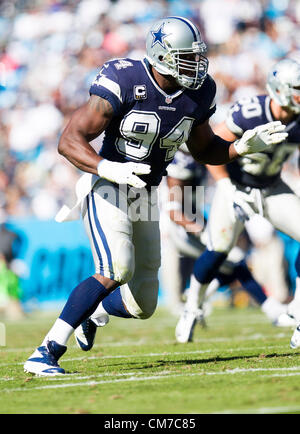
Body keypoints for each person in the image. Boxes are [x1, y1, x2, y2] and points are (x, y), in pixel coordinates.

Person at [24, 16, 287, 376]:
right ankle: (46, 351)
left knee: (142, 304)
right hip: (107, 184)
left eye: (196, 57)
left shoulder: (199, 92)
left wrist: (241, 146)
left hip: (145, 194)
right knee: (116, 267)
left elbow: (205, 149)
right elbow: (69, 140)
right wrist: (106, 167)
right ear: (161, 55)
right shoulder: (124, 79)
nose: (195, 65)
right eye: (185, 57)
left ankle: (94, 311)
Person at [176, 58, 300, 343]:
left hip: (271, 187)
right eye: (297, 88)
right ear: (280, 89)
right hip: (235, 186)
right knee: (218, 249)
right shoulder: (251, 111)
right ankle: (192, 306)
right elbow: (211, 149)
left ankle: (297, 311)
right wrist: (227, 187)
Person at [160, 147, 289, 343]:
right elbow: (173, 210)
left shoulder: (198, 155)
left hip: (195, 221)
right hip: (182, 229)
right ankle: (271, 310)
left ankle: (196, 299)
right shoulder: (180, 162)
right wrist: (199, 229)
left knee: (228, 265)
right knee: (234, 260)